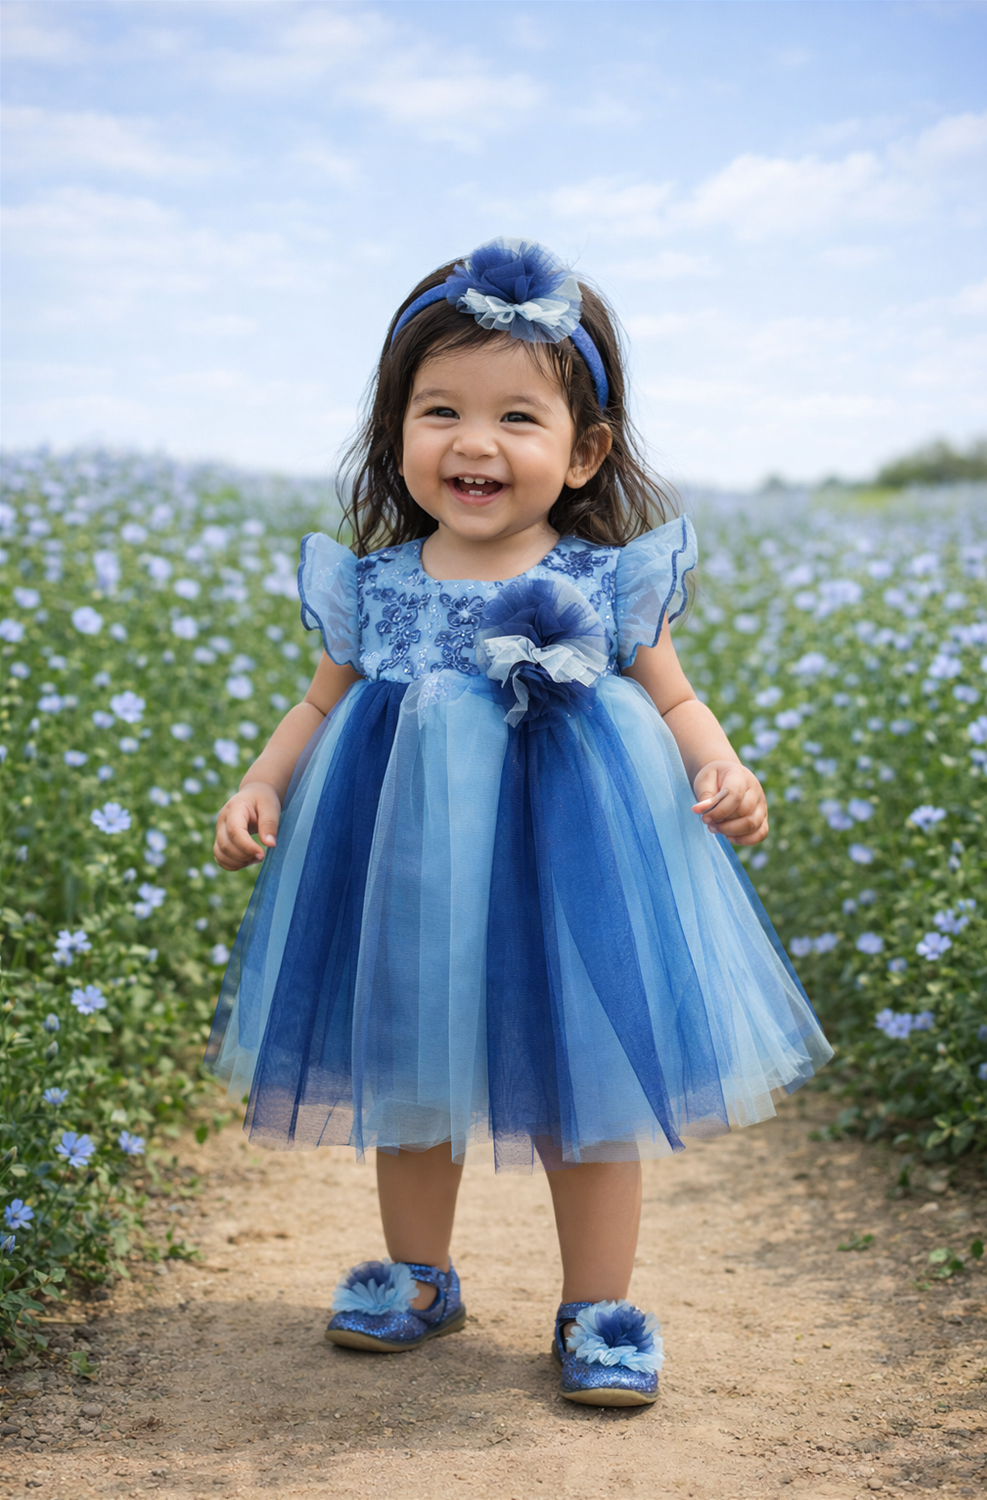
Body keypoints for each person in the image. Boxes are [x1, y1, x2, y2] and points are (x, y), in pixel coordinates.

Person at [207, 237, 832, 1408]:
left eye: (517, 418)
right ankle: (418, 1276)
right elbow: (318, 701)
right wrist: (264, 782)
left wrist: (723, 767)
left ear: (585, 450)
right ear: (396, 429)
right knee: (409, 1059)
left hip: (573, 862)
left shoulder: (602, 580)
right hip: (411, 865)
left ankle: (597, 1307)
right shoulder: (381, 582)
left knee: (586, 1080)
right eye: (439, 409)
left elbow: (674, 693)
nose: (474, 443)